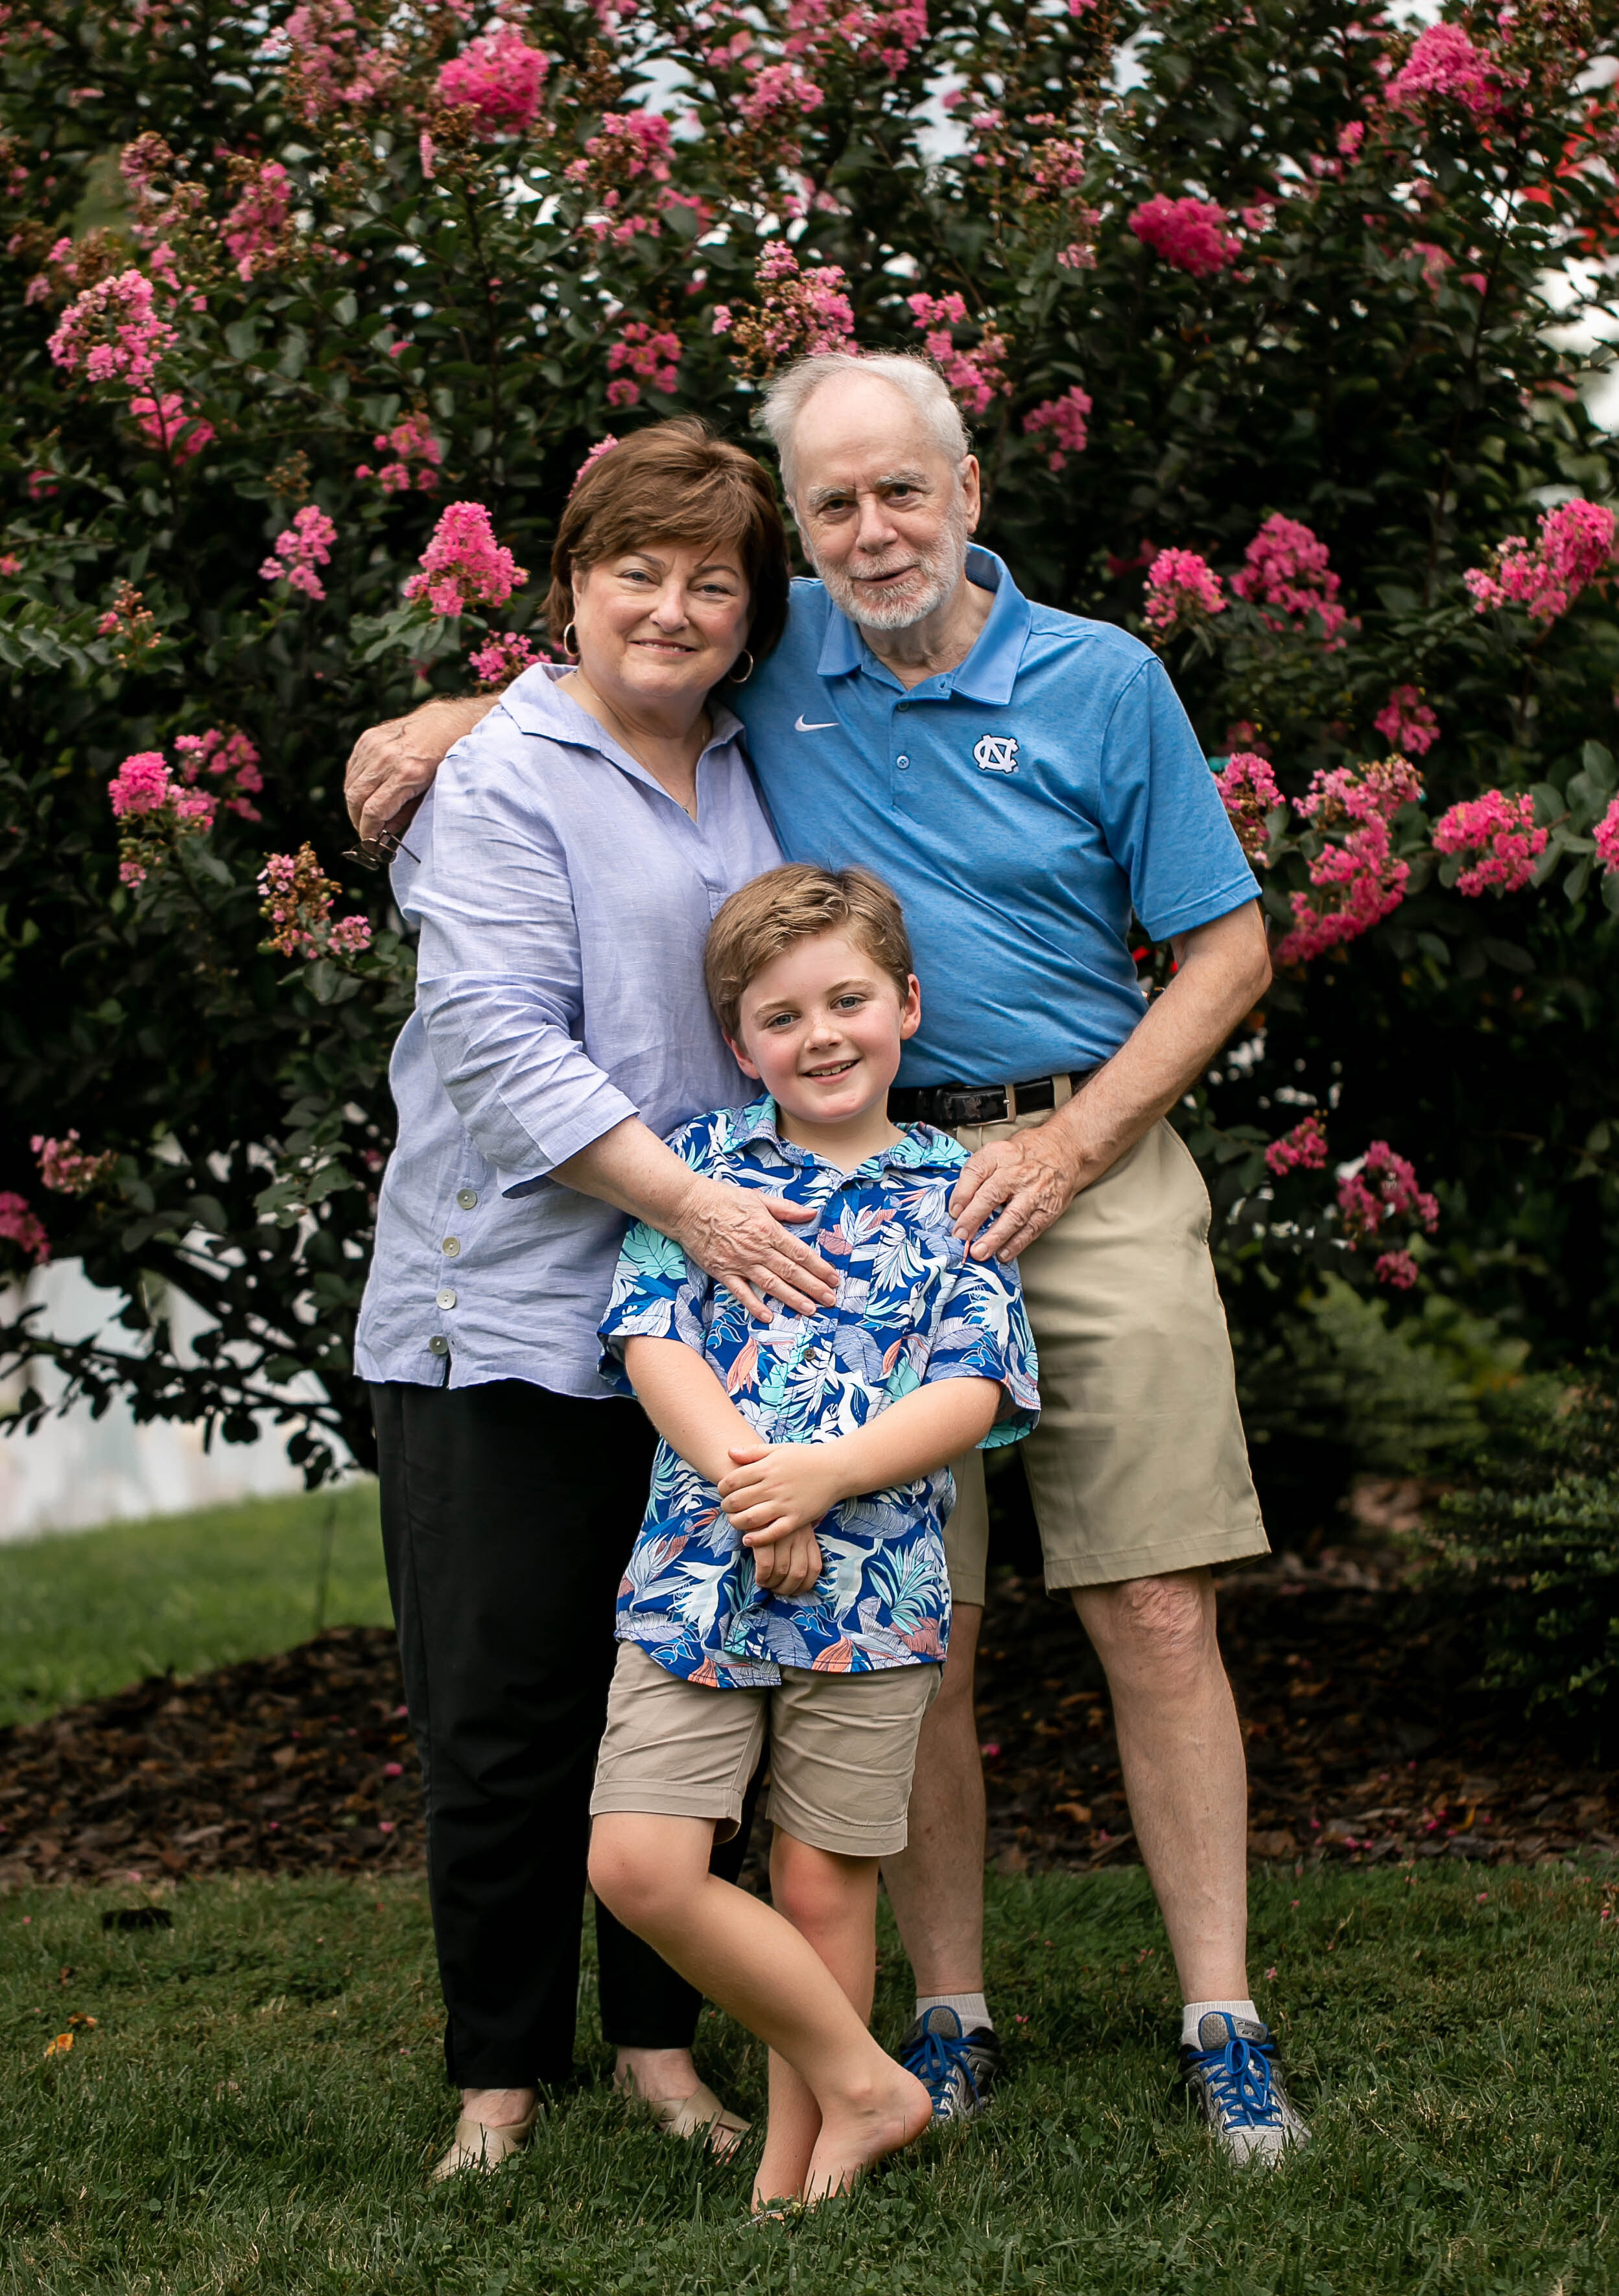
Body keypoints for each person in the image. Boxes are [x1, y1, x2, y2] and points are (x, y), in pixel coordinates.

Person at [346, 351, 1307, 2164]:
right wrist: (448, 723)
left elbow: (1231, 952)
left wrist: (1077, 1135)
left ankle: (1221, 2014)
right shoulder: (779, 664)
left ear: (967, 488)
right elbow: (620, 658)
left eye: (902, 491)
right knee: (893, 1623)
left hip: (1076, 1152)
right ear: (805, 529)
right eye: (835, 504)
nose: (873, 532)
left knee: (1158, 1602)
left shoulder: (1105, 677)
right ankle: (942, 2020)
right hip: (851, 1182)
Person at [355, 421, 844, 2179]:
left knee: (678, 1691)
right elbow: (495, 1050)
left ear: (749, 614)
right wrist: (698, 1204)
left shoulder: (752, 766)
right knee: (504, 1711)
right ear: (569, 589)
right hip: (501, 1310)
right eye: (634, 569)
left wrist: (723, 1237)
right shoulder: (502, 778)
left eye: (712, 579)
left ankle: (655, 2046)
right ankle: (498, 2075)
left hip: (700, 1326)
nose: (673, 604)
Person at [587, 864, 1039, 2207]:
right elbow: (649, 1333)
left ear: (906, 1004)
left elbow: (973, 1387)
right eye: (781, 1018)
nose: (820, 1034)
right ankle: (870, 2080)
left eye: (848, 1000)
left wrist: (822, 1481)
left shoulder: (959, 1190)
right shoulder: (704, 1171)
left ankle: (797, 2174)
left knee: (823, 1882)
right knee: (638, 1862)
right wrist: (754, 1484)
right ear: (740, 1046)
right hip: (692, 1575)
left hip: (874, 1586)